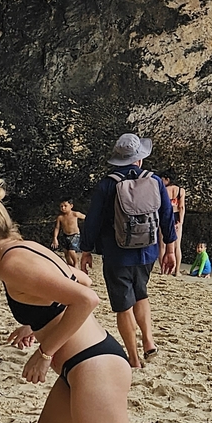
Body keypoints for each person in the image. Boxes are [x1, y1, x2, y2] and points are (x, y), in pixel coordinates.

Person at [0, 177, 132, 423]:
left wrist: (45, 353)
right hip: (79, 367)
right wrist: (35, 320)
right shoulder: (20, 249)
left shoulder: (13, 265)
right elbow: (81, 279)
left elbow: (86, 299)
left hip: (95, 366)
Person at [82, 133, 178, 369]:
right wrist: (171, 250)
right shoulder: (154, 181)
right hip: (147, 251)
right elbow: (167, 217)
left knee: (123, 304)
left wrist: (85, 249)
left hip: (117, 253)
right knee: (141, 293)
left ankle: (133, 358)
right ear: (139, 159)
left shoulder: (107, 184)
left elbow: (93, 220)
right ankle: (148, 341)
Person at [159, 176, 186, 275]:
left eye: (163, 179)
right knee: (177, 246)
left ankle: (163, 271)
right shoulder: (181, 191)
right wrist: (181, 221)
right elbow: (181, 206)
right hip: (176, 217)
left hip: (165, 216)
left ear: (168, 179)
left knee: (162, 246)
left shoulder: (164, 190)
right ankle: (177, 271)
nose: (161, 181)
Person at [52, 201, 88, 270]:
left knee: (71, 251)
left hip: (75, 235)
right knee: (66, 252)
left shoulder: (75, 214)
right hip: (65, 235)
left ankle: (76, 263)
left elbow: (86, 218)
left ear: (71, 206)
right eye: (61, 206)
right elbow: (57, 228)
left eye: (65, 206)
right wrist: (55, 238)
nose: (63, 208)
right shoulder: (60, 217)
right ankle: (70, 266)